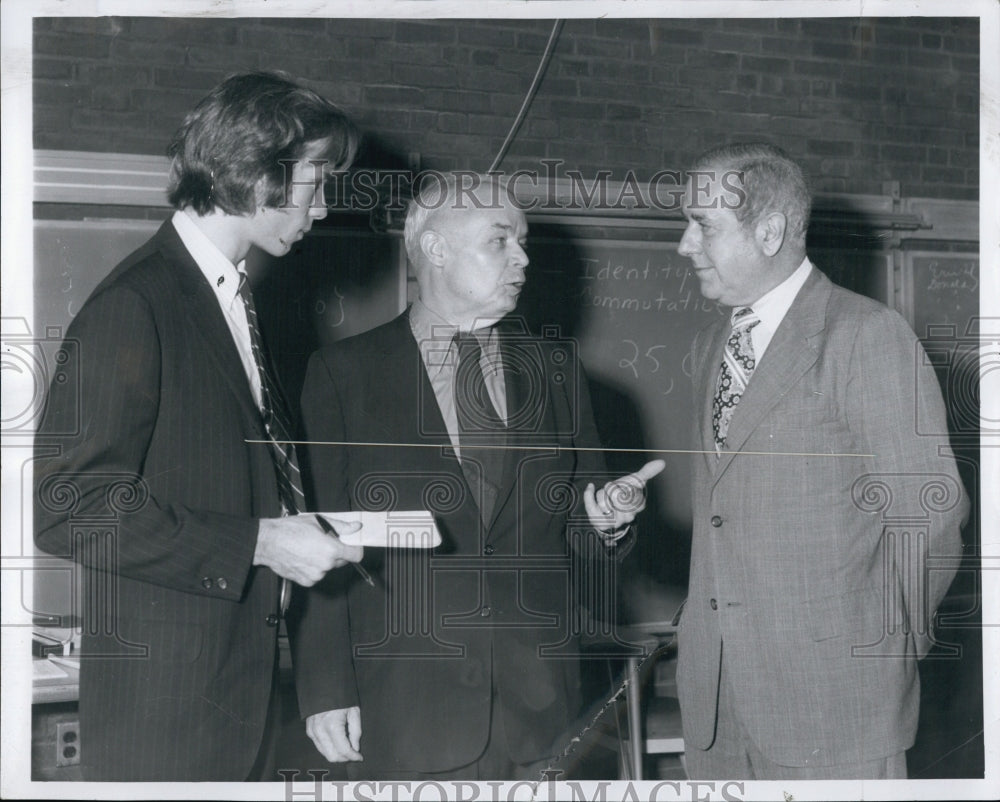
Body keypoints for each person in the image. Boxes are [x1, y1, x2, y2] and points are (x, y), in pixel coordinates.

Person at [33, 71, 366, 781]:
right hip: (164, 718)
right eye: (317, 179)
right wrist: (260, 542)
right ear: (256, 171)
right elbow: (70, 510)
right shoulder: (136, 303)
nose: (326, 206)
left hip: (234, 698)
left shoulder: (235, 299)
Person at [291, 173, 664, 780]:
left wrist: (605, 522)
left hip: (544, 712)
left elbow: (582, 531)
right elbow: (318, 538)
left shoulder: (558, 373)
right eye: (500, 241)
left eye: (523, 242)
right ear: (436, 249)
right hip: (406, 706)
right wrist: (325, 687)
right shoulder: (343, 374)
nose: (522, 258)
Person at [675, 142, 969, 779]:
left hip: (836, 709)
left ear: (770, 230)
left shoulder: (865, 333)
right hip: (717, 708)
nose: (684, 245)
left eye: (702, 225)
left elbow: (930, 518)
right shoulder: (713, 345)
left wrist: (886, 651)